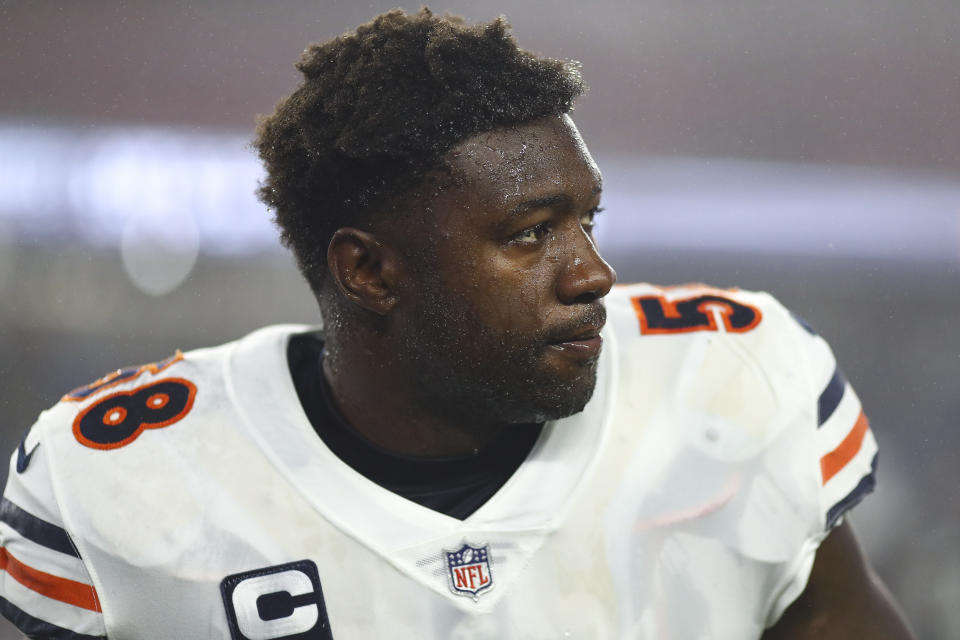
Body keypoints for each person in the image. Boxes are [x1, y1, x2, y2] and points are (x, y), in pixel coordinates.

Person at [0, 8, 914, 640]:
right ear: (368, 270)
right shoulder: (112, 480)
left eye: (586, 221)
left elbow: (831, 616)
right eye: (529, 234)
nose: (593, 272)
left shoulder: (737, 373)